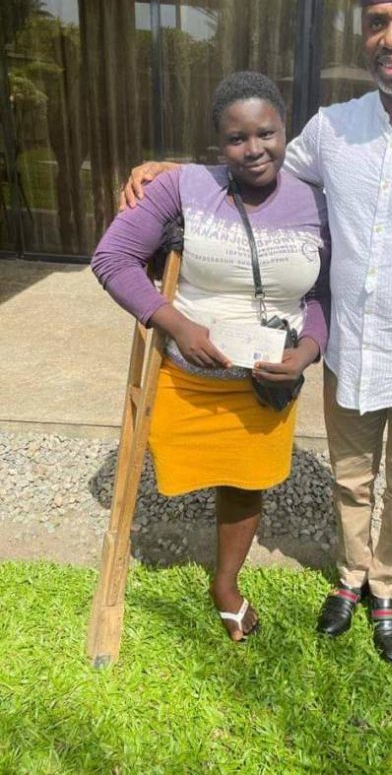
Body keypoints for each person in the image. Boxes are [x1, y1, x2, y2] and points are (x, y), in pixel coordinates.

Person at [120, 0, 392, 664]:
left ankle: (387, 590)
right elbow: (254, 162)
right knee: (351, 480)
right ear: (364, 35)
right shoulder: (334, 128)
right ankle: (350, 578)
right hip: (348, 353)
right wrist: (171, 173)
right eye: (377, 22)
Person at [92, 71, 330, 642]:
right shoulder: (182, 187)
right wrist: (175, 322)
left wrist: (306, 353)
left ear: (285, 130)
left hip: (267, 383)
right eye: (236, 138)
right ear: (218, 145)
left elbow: (324, 296)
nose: (254, 149)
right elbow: (113, 257)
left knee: (246, 482)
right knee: (174, 470)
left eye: (266, 133)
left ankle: (225, 584)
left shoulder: (317, 204)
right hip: (187, 377)